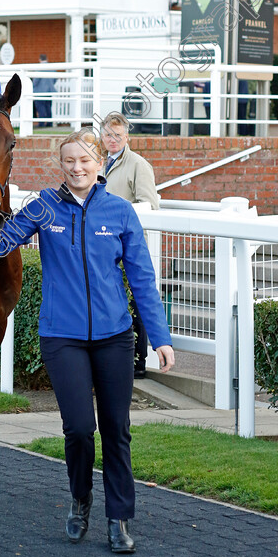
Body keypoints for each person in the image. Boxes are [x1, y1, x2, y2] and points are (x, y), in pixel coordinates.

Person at [0, 129, 174, 553]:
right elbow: (0, 244)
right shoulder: (44, 206)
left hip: (115, 338)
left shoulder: (120, 212)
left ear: (100, 163)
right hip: (61, 336)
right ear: (60, 164)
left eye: (86, 160)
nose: (78, 167)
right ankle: (80, 498)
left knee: (116, 429)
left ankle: (119, 518)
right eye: (69, 161)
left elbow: (142, 280)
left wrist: (159, 337)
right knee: (81, 429)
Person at [101, 111, 159, 379]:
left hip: (128, 244)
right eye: (108, 134)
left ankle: (138, 362)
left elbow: (149, 206)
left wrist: (117, 218)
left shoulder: (138, 165)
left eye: (117, 135)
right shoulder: (100, 163)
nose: (112, 139)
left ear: (127, 137)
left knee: (134, 301)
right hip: (104, 244)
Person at [32, 53, 56, 128]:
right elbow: (55, 78)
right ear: (47, 59)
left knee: (40, 107)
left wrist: (32, 85)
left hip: (40, 91)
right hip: (49, 91)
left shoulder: (39, 67)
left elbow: (36, 80)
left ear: (39, 59)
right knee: (48, 107)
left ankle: (41, 123)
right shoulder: (52, 68)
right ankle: (49, 123)